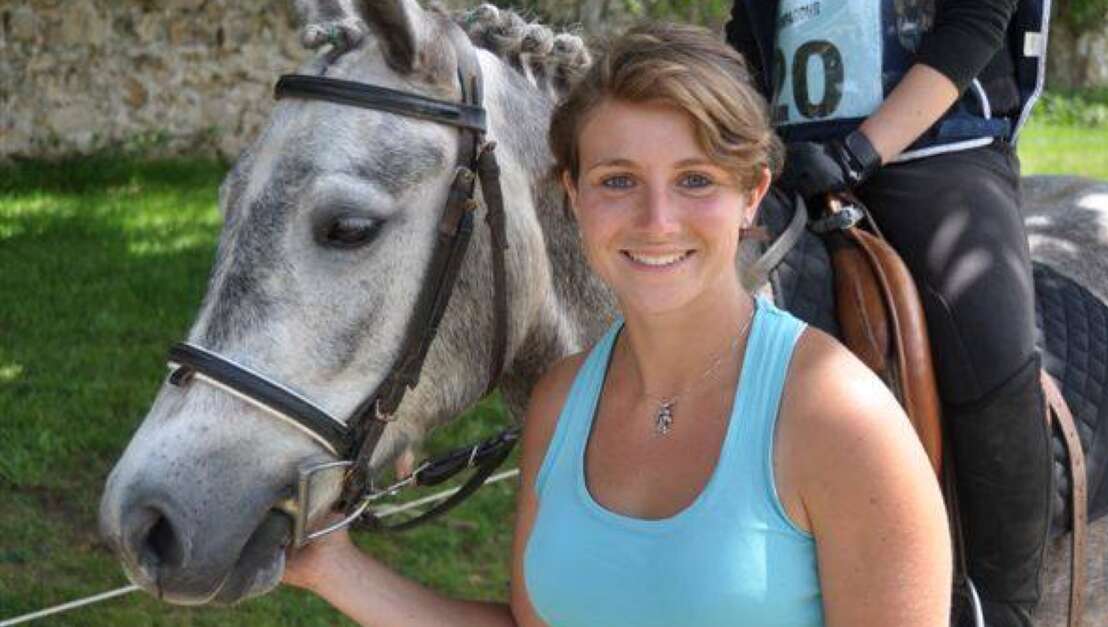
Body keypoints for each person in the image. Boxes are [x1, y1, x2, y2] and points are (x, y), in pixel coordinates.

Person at [283, 22, 951, 626]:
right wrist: (335, 569)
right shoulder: (562, 400)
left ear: (751, 196)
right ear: (573, 197)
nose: (656, 221)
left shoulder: (838, 419)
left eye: (695, 180)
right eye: (617, 181)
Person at [725, 1, 1053, 625]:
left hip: (936, 154)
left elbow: (975, 22)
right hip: (783, 164)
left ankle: (1003, 601)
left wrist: (857, 153)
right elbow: (750, 39)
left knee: (989, 343)